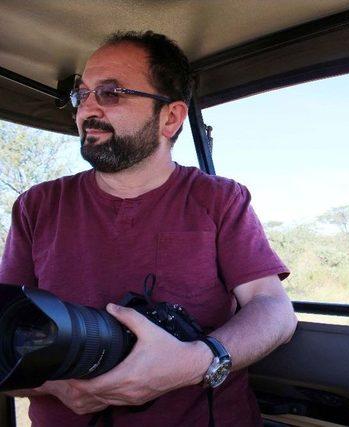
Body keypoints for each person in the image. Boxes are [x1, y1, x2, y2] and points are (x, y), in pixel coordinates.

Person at [0, 30, 297, 426]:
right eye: (82, 94)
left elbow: (274, 309)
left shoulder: (219, 199)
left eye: (111, 93)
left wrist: (195, 361)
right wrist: (60, 387)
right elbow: (4, 338)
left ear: (171, 117)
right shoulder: (37, 206)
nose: (88, 109)